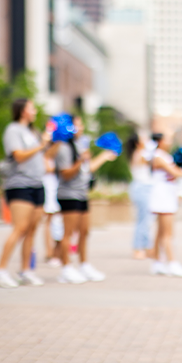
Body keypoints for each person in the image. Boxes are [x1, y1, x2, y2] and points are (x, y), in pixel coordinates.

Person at [0, 98, 51, 289]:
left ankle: (26, 270)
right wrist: (40, 146)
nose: (34, 110)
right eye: (31, 107)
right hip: (19, 184)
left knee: (32, 229)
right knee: (20, 227)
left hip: (37, 184)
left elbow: (42, 155)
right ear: (22, 110)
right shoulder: (13, 130)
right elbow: (18, 155)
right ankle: (0, 269)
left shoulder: (33, 132)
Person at [53, 115, 117, 284]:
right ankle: (66, 267)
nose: (80, 128)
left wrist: (100, 158)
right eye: (77, 124)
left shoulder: (79, 145)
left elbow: (87, 170)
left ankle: (84, 265)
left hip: (81, 193)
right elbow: (65, 173)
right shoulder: (64, 148)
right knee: (67, 234)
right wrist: (81, 161)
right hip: (69, 194)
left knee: (84, 231)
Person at [148, 131, 182, 277]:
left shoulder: (165, 156)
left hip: (167, 194)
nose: (170, 141)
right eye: (167, 139)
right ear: (160, 141)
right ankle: (172, 263)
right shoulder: (158, 157)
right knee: (168, 232)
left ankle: (157, 262)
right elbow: (175, 173)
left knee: (161, 231)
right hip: (162, 196)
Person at [126, 132, 153, 259]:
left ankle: (147, 247)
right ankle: (138, 248)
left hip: (144, 188)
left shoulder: (141, 154)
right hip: (141, 188)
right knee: (143, 219)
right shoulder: (140, 154)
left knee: (147, 219)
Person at [41, 156, 63, 267]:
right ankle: (50, 252)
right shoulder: (46, 149)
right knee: (49, 219)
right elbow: (47, 167)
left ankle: (58, 251)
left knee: (58, 219)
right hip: (49, 184)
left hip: (59, 184)